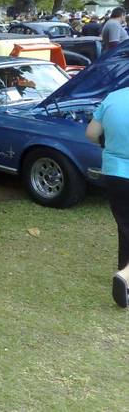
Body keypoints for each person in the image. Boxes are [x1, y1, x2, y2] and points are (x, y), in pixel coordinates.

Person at [86, 88, 129, 307]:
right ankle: (125, 275)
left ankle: (125, 276)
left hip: (115, 173)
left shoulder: (113, 98)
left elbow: (91, 134)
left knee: (125, 226)